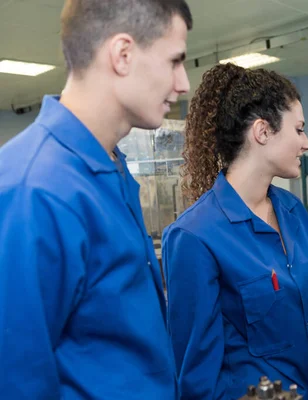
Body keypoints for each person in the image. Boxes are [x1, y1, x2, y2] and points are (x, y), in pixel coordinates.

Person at [0, 0, 192, 398]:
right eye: (174, 61)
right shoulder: (35, 188)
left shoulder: (111, 166)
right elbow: (17, 378)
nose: (183, 83)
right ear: (122, 55)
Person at [162, 63, 308, 400]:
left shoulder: (294, 213)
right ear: (262, 132)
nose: (307, 143)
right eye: (299, 130)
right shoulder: (194, 237)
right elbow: (196, 374)